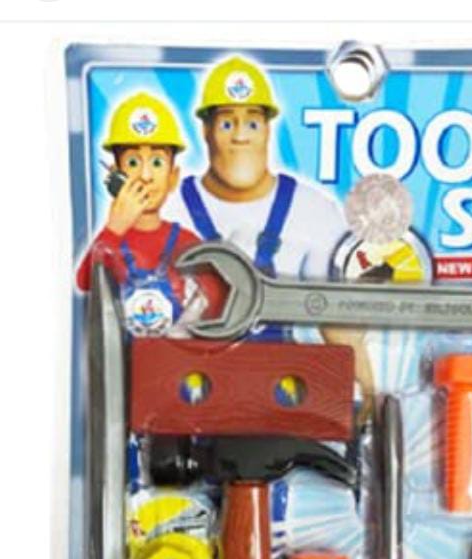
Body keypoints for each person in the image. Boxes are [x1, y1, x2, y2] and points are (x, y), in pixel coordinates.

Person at [164, 55, 348, 344]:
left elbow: (343, 334)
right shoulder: (167, 210)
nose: (241, 136)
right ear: (206, 131)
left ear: (267, 129)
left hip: (284, 371)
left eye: (252, 123)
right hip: (190, 368)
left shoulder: (316, 212)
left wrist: (371, 381)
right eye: (227, 123)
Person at [76, 92, 221, 334]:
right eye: (133, 163)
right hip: (121, 353)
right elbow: (84, 283)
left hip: (176, 353)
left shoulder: (186, 242)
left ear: (173, 177)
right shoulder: (110, 240)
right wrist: (114, 228)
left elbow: (216, 301)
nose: (145, 176)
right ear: (114, 174)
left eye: (156, 163)